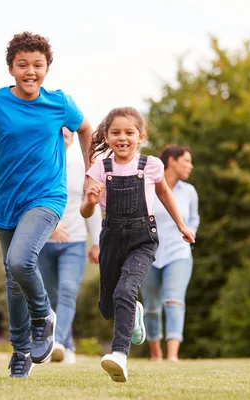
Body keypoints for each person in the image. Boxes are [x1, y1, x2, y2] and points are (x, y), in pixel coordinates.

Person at [0, 32, 93, 378]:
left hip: (47, 198)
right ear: (11, 69)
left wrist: (92, 171)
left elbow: (86, 129)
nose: (30, 71)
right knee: (13, 277)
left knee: (21, 260)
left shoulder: (60, 103)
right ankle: (20, 352)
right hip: (7, 202)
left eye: (38, 64)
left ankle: (44, 315)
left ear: (47, 68)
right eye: (23, 65)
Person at [80, 107, 195, 383]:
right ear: (106, 137)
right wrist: (91, 202)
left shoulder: (151, 165)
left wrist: (181, 225)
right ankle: (136, 311)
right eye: (116, 132)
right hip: (111, 237)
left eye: (129, 132)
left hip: (143, 238)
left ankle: (119, 355)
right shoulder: (99, 168)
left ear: (140, 136)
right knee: (107, 306)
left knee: (125, 290)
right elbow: (85, 211)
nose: (123, 138)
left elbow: (165, 194)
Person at [38, 127, 102, 364]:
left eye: (67, 134)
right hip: (43, 242)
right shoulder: (39, 166)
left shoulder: (81, 169)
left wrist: (96, 241)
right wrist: (50, 227)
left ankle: (58, 343)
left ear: (73, 138)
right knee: (50, 297)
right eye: (58, 133)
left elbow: (92, 205)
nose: (63, 137)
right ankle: (69, 347)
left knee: (67, 292)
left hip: (74, 242)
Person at [140, 146, 199, 363]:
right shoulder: (147, 186)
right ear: (172, 161)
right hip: (149, 253)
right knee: (152, 306)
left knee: (174, 300)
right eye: (186, 161)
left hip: (179, 252)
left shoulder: (189, 191)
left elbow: (194, 219)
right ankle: (156, 354)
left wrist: (191, 232)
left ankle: (173, 356)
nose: (190, 166)